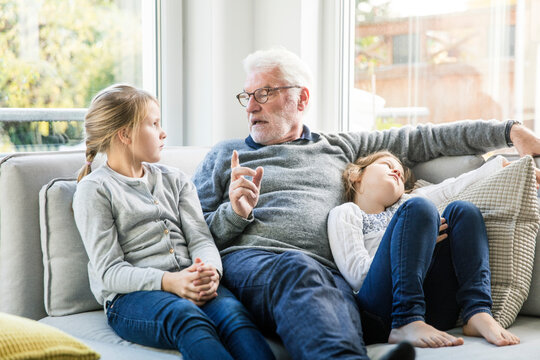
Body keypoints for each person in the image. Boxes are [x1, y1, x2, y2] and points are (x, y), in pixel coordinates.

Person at [192, 47, 540, 360]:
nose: (251, 106)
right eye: (247, 95)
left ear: (301, 99)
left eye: (264, 93)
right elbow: (189, 234)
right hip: (254, 263)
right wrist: (234, 214)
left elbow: (423, 138)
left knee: (330, 292)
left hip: (329, 277)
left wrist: (510, 131)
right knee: (298, 268)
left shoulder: (338, 148)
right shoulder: (226, 155)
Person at [72, 84, 275, 360]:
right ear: (125, 134)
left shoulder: (175, 179)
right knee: (187, 318)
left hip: (190, 280)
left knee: (235, 318)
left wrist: (210, 271)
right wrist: (170, 281)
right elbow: (110, 272)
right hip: (130, 298)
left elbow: (200, 238)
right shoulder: (95, 190)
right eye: (154, 124)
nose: (163, 132)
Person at [327, 150, 521, 348]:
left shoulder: (406, 202)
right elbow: (357, 276)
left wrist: (499, 166)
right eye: (387, 165)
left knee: (463, 210)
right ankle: (406, 320)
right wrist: (406, 243)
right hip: (383, 313)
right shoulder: (346, 212)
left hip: (433, 309)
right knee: (419, 208)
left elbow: (452, 187)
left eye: (401, 175)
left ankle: (477, 311)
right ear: (355, 175)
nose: (396, 171)